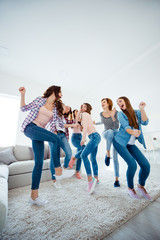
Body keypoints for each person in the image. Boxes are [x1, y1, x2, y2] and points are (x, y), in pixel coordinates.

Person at [19, 85, 74, 205]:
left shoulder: (55, 108)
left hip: (39, 131)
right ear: (54, 91)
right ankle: (58, 171)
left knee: (39, 163)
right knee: (55, 139)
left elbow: (57, 122)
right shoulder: (40, 100)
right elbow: (24, 108)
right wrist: (23, 95)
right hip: (30, 127)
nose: (62, 95)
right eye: (60, 92)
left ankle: (34, 197)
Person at [113, 96, 151, 200]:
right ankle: (130, 188)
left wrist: (142, 109)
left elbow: (145, 122)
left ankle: (140, 186)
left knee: (146, 165)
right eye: (117, 103)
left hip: (130, 144)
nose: (119, 103)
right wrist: (134, 132)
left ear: (126, 101)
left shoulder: (137, 112)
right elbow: (126, 127)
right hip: (119, 141)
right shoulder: (120, 114)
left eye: (120, 101)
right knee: (132, 164)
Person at [77, 103, 101, 194]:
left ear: (87, 109)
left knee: (83, 155)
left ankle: (90, 180)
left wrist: (83, 139)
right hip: (95, 136)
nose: (82, 108)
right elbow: (77, 120)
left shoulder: (85, 114)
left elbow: (86, 127)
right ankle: (96, 178)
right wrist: (79, 110)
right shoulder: (84, 115)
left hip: (94, 136)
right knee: (92, 158)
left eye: (84, 106)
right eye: (81, 106)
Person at [95, 98, 120, 187]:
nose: (102, 103)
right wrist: (95, 123)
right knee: (109, 131)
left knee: (116, 158)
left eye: (104, 102)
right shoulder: (101, 114)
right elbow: (102, 122)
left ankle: (117, 180)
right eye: (101, 102)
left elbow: (117, 126)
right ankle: (108, 153)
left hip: (115, 133)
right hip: (106, 133)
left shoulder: (115, 112)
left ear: (108, 103)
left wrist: (113, 116)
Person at [48, 105, 79, 173]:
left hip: (63, 135)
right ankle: (54, 177)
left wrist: (78, 113)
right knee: (54, 157)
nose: (68, 108)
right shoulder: (55, 112)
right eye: (67, 106)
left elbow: (74, 121)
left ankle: (64, 167)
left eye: (69, 108)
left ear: (68, 112)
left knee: (69, 153)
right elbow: (58, 124)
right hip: (54, 134)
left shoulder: (65, 118)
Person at [69, 109, 83, 179]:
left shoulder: (81, 120)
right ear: (73, 113)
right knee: (83, 149)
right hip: (74, 137)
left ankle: (77, 172)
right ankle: (73, 158)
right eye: (76, 111)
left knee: (80, 155)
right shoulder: (72, 120)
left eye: (78, 111)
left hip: (80, 137)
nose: (77, 112)